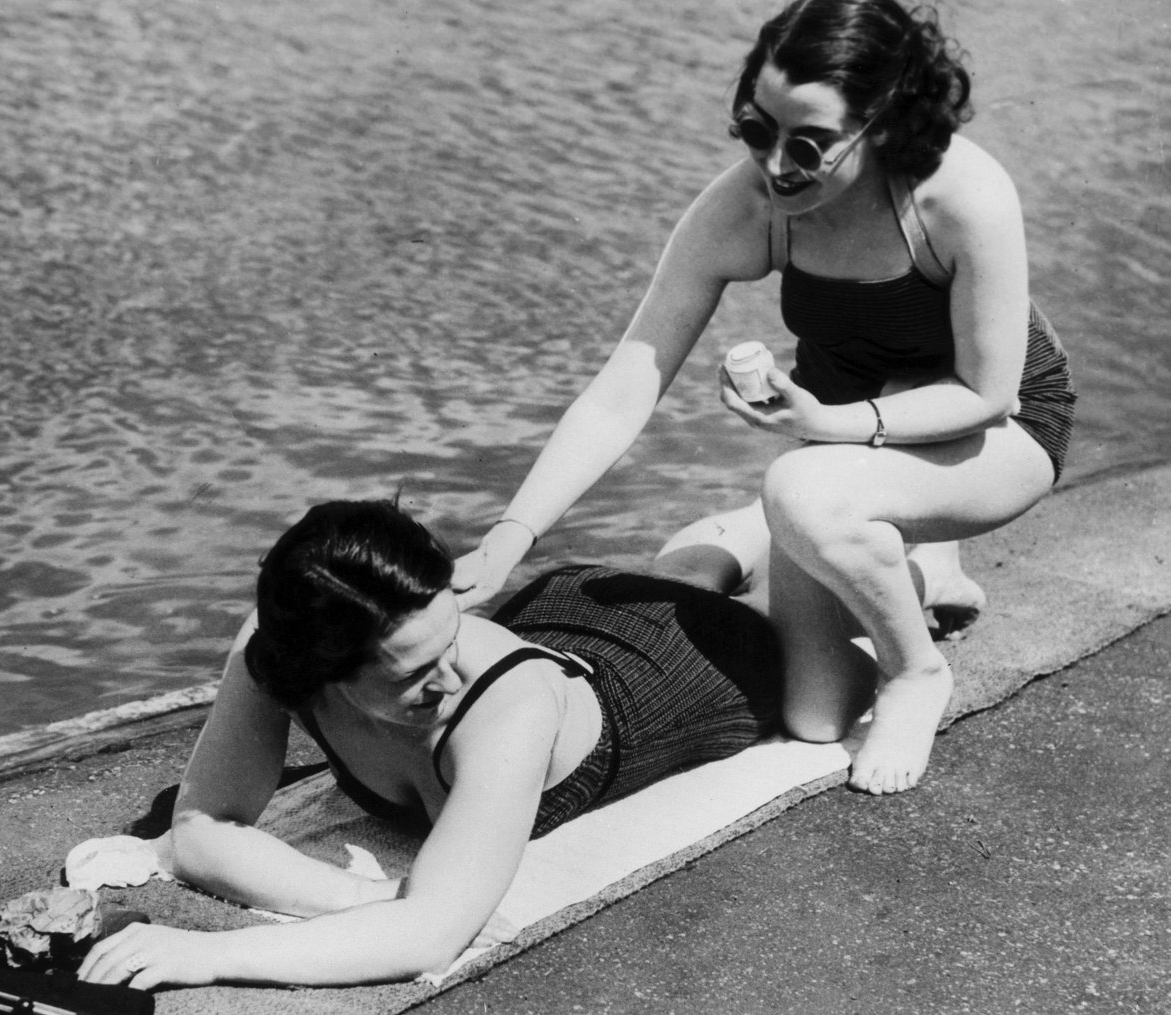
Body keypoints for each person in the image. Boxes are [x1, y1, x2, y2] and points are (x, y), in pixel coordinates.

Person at [453, 0, 1075, 797]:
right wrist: (513, 533)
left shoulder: (962, 197)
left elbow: (987, 394)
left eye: (810, 144)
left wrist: (825, 424)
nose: (776, 164)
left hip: (994, 431)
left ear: (884, 121)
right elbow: (626, 383)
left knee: (799, 487)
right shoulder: (749, 207)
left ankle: (916, 670)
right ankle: (910, 567)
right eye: (756, 128)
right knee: (812, 712)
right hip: (854, 448)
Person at [76, 498, 790, 989]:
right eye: (418, 671)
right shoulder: (278, 651)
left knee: (778, 631)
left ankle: (789, 522)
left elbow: (429, 936)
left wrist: (207, 955)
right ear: (327, 672)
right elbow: (201, 831)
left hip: (688, 671)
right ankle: (725, 545)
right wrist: (376, 896)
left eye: (451, 636)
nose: (449, 675)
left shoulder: (505, 704)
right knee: (680, 578)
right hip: (568, 612)